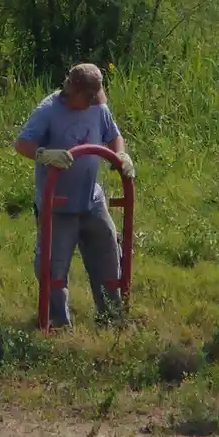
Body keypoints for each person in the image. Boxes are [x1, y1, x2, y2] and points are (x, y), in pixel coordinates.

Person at [14, 63, 137, 328]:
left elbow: (114, 135)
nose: (94, 101)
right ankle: (57, 324)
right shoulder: (48, 111)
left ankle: (112, 320)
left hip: (92, 201)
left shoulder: (98, 108)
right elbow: (22, 143)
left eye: (96, 95)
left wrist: (120, 154)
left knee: (109, 260)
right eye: (88, 96)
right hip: (57, 206)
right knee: (53, 270)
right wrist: (43, 154)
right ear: (73, 89)